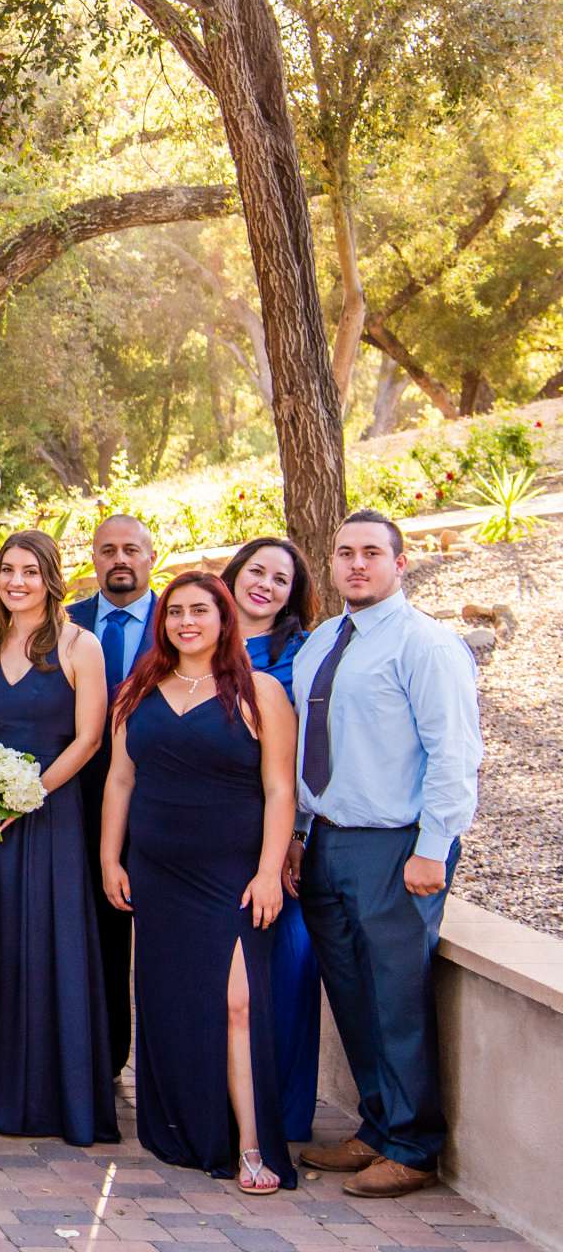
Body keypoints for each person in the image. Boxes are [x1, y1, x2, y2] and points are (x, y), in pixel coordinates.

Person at [286, 511, 481, 1200]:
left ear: (401, 564)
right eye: (345, 553)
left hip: (396, 846)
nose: (357, 565)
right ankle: (375, 1126)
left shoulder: (425, 645)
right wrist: (302, 836)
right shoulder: (319, 644)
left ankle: (413, 1144)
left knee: (396, 999)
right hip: (329, 841)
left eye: (372, 553)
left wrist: (433, 847)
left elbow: (454, 754)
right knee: (353, 996)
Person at [102, 570, 297, 1193]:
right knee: (171, 1000)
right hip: (158, 874)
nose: (187, 621)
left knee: (237, 1001)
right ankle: (181, 1127)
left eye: (200, 611)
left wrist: (269, 872)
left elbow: (279, 789)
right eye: (177, 611)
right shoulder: (137, 688)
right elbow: (121, 781)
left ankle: (249, 1145)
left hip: (232, 875)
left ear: (223, 619)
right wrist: (111, 858)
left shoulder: (259, 691)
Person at [0, 530, 116, 1146]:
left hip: (53, 816)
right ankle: (0, 1091)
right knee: (0, 942)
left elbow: (89, 740)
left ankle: (61, 1098)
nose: (16, 581)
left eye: (30, 571)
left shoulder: (83, 646)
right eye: (7, 571)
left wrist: (30, 794)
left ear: (52, 578)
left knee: (51, 942)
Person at [224, 535, 322, 1146]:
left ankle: (282, 1115)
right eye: (256, 570)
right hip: (205, 833)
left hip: (278, 835)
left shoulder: (302, 654)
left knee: (284, 971)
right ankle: (219, 1108)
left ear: (292, 596)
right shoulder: (191, 635)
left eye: (280, 579)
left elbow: (311, 750)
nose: (265, 584)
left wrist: (295, 835)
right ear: (233, 575)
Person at [67, 511, 157, 1079]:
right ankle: (104, 1059)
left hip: (160, 801)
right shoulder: (64, 624)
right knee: (97, 932)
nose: (119, 559)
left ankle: (165, 1065)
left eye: (131, 549)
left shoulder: (180, 621)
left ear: (152, 556)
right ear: (94, 558)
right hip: (77, 797)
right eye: (107, 550)